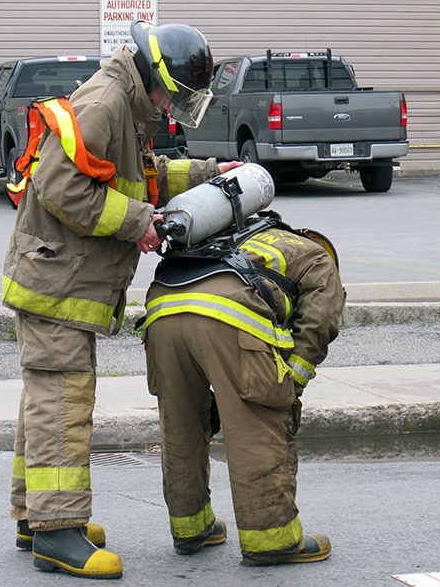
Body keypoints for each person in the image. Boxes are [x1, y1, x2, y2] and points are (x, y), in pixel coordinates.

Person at [2, 20, 239, 580]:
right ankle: (57, 532)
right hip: (58, 284)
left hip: (62, 281)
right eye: (174, 97)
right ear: (157, 79)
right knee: (63, 401)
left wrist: (207, 174)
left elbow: (136, 178)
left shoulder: (127, 104)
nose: (172, 108)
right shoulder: (106, 102)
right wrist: (138, 225)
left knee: (45, 398)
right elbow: (59, 187)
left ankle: (34, 516)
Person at [142, 214, 346, 566]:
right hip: (228, 312)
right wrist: (290, 383)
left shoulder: (242, 236)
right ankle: (272, 542)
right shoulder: (319, 258)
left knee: (181, 426)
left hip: (162, 309)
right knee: (256, 426)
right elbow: (319, 323)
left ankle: (191, 530)